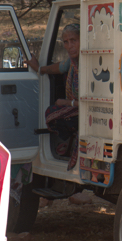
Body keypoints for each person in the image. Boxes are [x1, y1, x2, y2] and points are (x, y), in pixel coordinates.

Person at [27, 24, 81, 170]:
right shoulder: (72, 62)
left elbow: (89, 103)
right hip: (76, 107)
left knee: (52, 115)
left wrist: (66, 102)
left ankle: (69, 142)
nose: (70, 46)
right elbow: (59, 67)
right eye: (66, 42)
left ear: (82, 40)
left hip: (85, 110)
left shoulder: (88, 62)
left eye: (73, 40)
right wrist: (39, 69)